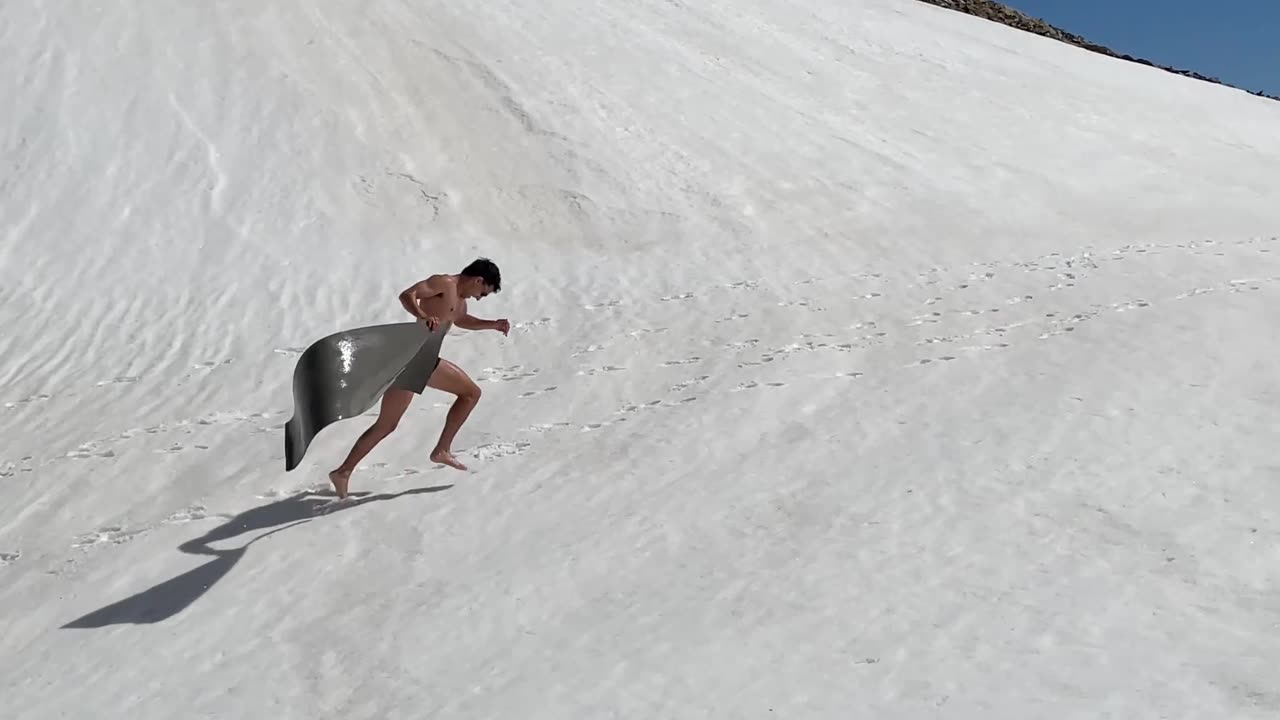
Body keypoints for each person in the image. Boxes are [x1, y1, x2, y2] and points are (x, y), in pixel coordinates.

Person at [327, 258, 508, 498]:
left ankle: (343, 472)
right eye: (482, 293)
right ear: (478, 280)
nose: (479, 298)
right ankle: (442, 450)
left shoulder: (460, 302)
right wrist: (422, 315)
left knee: (386, 425)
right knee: (471, 394)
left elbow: (462, 320)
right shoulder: (444, 283)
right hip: (416, 358)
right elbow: (407, 295)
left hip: (415, 361)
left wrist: (493, 324)